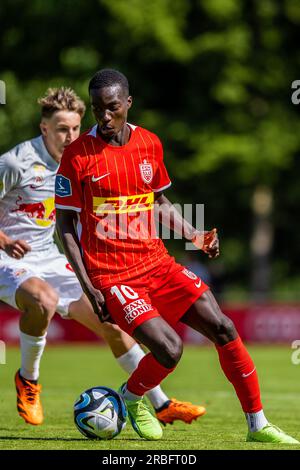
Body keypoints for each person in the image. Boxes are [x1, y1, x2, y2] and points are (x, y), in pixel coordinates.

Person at [55, 69, 299, 444]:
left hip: (157, 263)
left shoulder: (150, 143)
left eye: (112, 108)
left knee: (224, 328)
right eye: (97, 109)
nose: (104, 117)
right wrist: (90, 287)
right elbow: (66, 226)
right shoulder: (76, 156)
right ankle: (133, 397)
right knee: (170, 350)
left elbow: (159, 203)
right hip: (112, 275)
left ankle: (258, 426)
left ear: (128, 104)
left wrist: (194, 236)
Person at [0, 87, 206, 427]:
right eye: (61, 129)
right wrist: (5, 239)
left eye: (75, 129)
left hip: (49, 258)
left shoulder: (79, 160)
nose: (70, 136)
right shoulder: (14, 162)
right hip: (7, 259)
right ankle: (29, 380)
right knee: (43, 299)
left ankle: (162, 403)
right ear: (44, 128)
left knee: (111, 323)